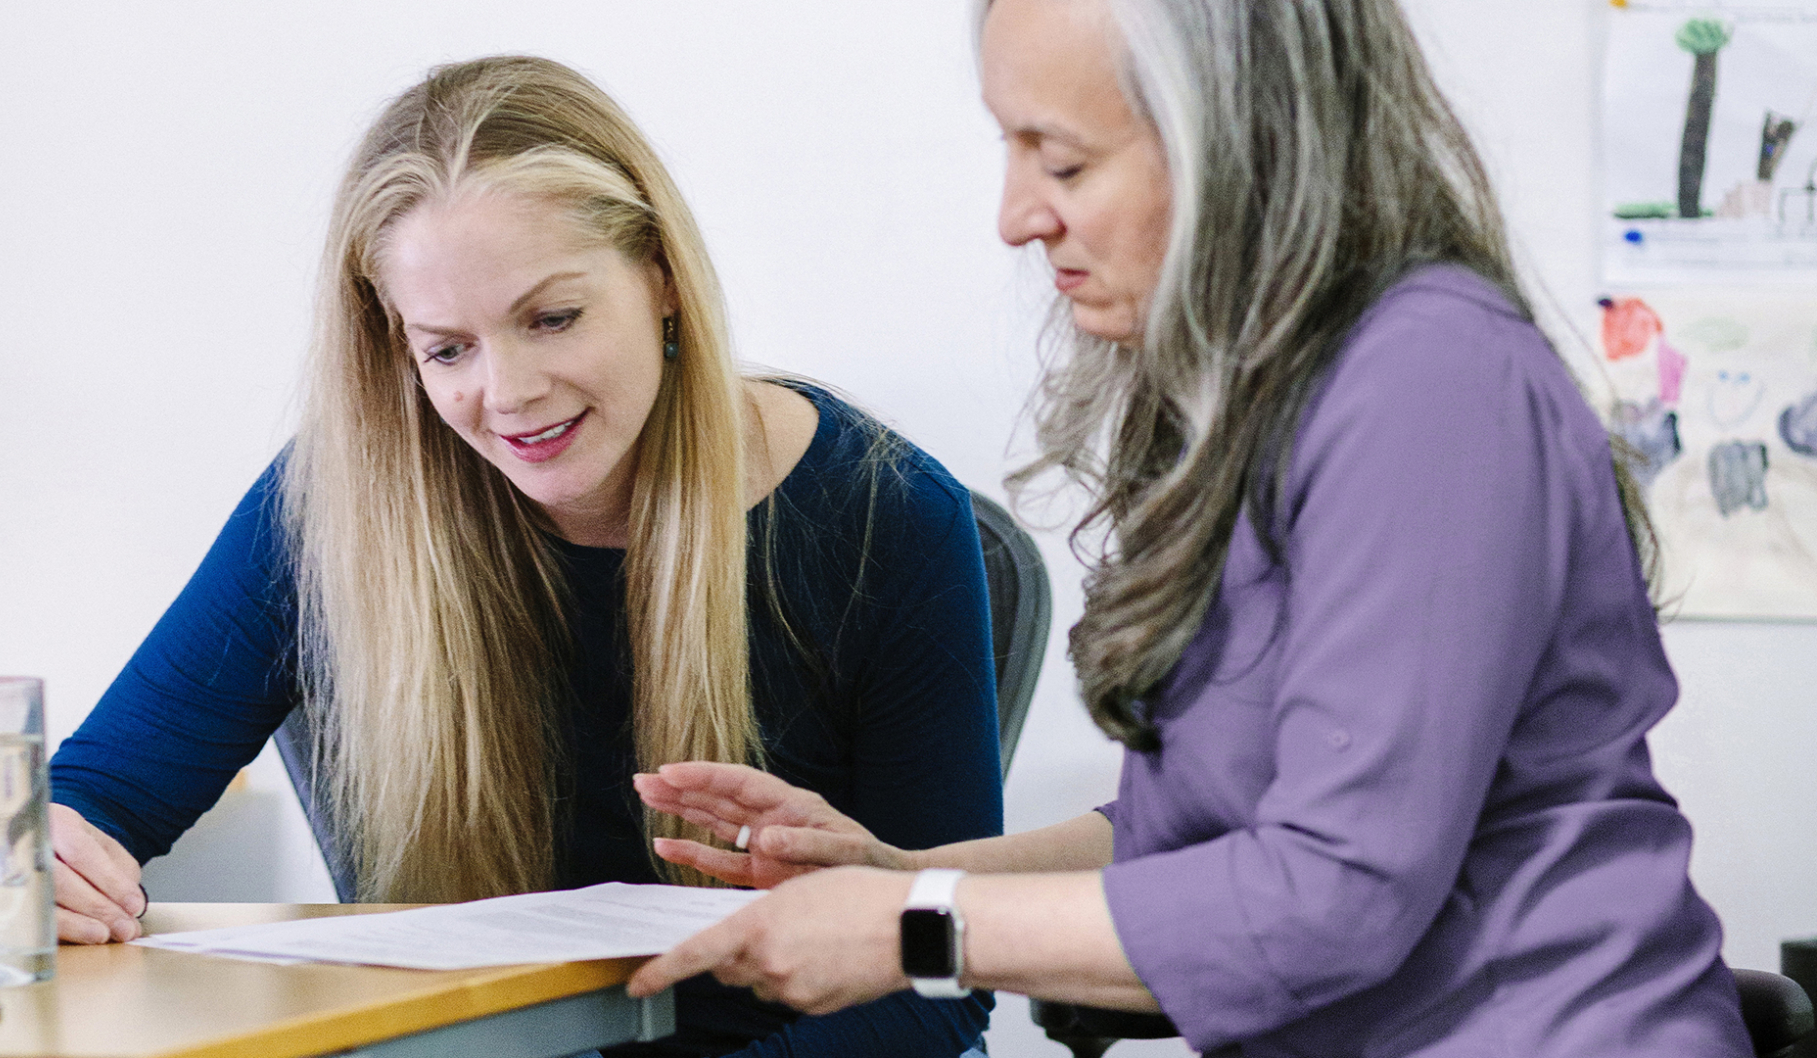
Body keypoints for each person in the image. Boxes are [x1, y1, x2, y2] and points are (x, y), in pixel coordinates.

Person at [625, 1, 1755, 1055]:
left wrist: (910, 928)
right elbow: (1194, 835)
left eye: (1061, 159)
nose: (1016, 216)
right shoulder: (1257, 400)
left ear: (1242, 144)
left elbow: (1331, 894)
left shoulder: (1431, 379)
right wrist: (898, 872)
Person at [46, 55, 1003, 1058]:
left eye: (552, 317)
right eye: (447, 349)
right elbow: (99, 796)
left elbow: (930, 980)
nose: (507, 393)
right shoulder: (338, 498)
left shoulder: (883, 514)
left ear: (662, 277)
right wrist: (47, 859)